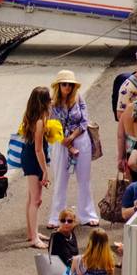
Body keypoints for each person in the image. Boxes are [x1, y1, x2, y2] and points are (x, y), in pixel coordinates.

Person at [48, 70, 98, 228]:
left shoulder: (78, 98)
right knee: (60, 180)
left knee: (84, 179)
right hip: (60, 142)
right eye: (64, 84)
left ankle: (87, 214)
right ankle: (57, 216)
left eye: (70, 84)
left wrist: (72, 137)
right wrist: (65, 140)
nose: (67, 87)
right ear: (58, 86)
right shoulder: (52, 103)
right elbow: (52, 124)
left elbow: (84, 121)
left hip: (80, 139)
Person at [18, 86, 52, 249]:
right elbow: (38, 149)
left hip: (29, 156)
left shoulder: (32, 117)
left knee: (32, 198)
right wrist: (45, 170)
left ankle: (32, 232)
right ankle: (33, 238)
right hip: (34, 159)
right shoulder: (40, 121)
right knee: (36, 200)